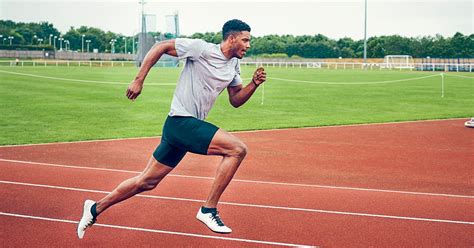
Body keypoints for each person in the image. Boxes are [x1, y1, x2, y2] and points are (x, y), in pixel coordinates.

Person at [77, 19, 267, 238]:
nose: (248, 45)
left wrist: (254, 83)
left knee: (146, 182)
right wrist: (139, 80)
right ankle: (209, 209)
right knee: (237, 149)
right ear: (232, 38)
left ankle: (94, 208)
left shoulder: (233, 64)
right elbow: (161, 47)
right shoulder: (201, 49)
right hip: (181, 121)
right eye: (245, 40)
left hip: (180, 129)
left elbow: (235, 99)